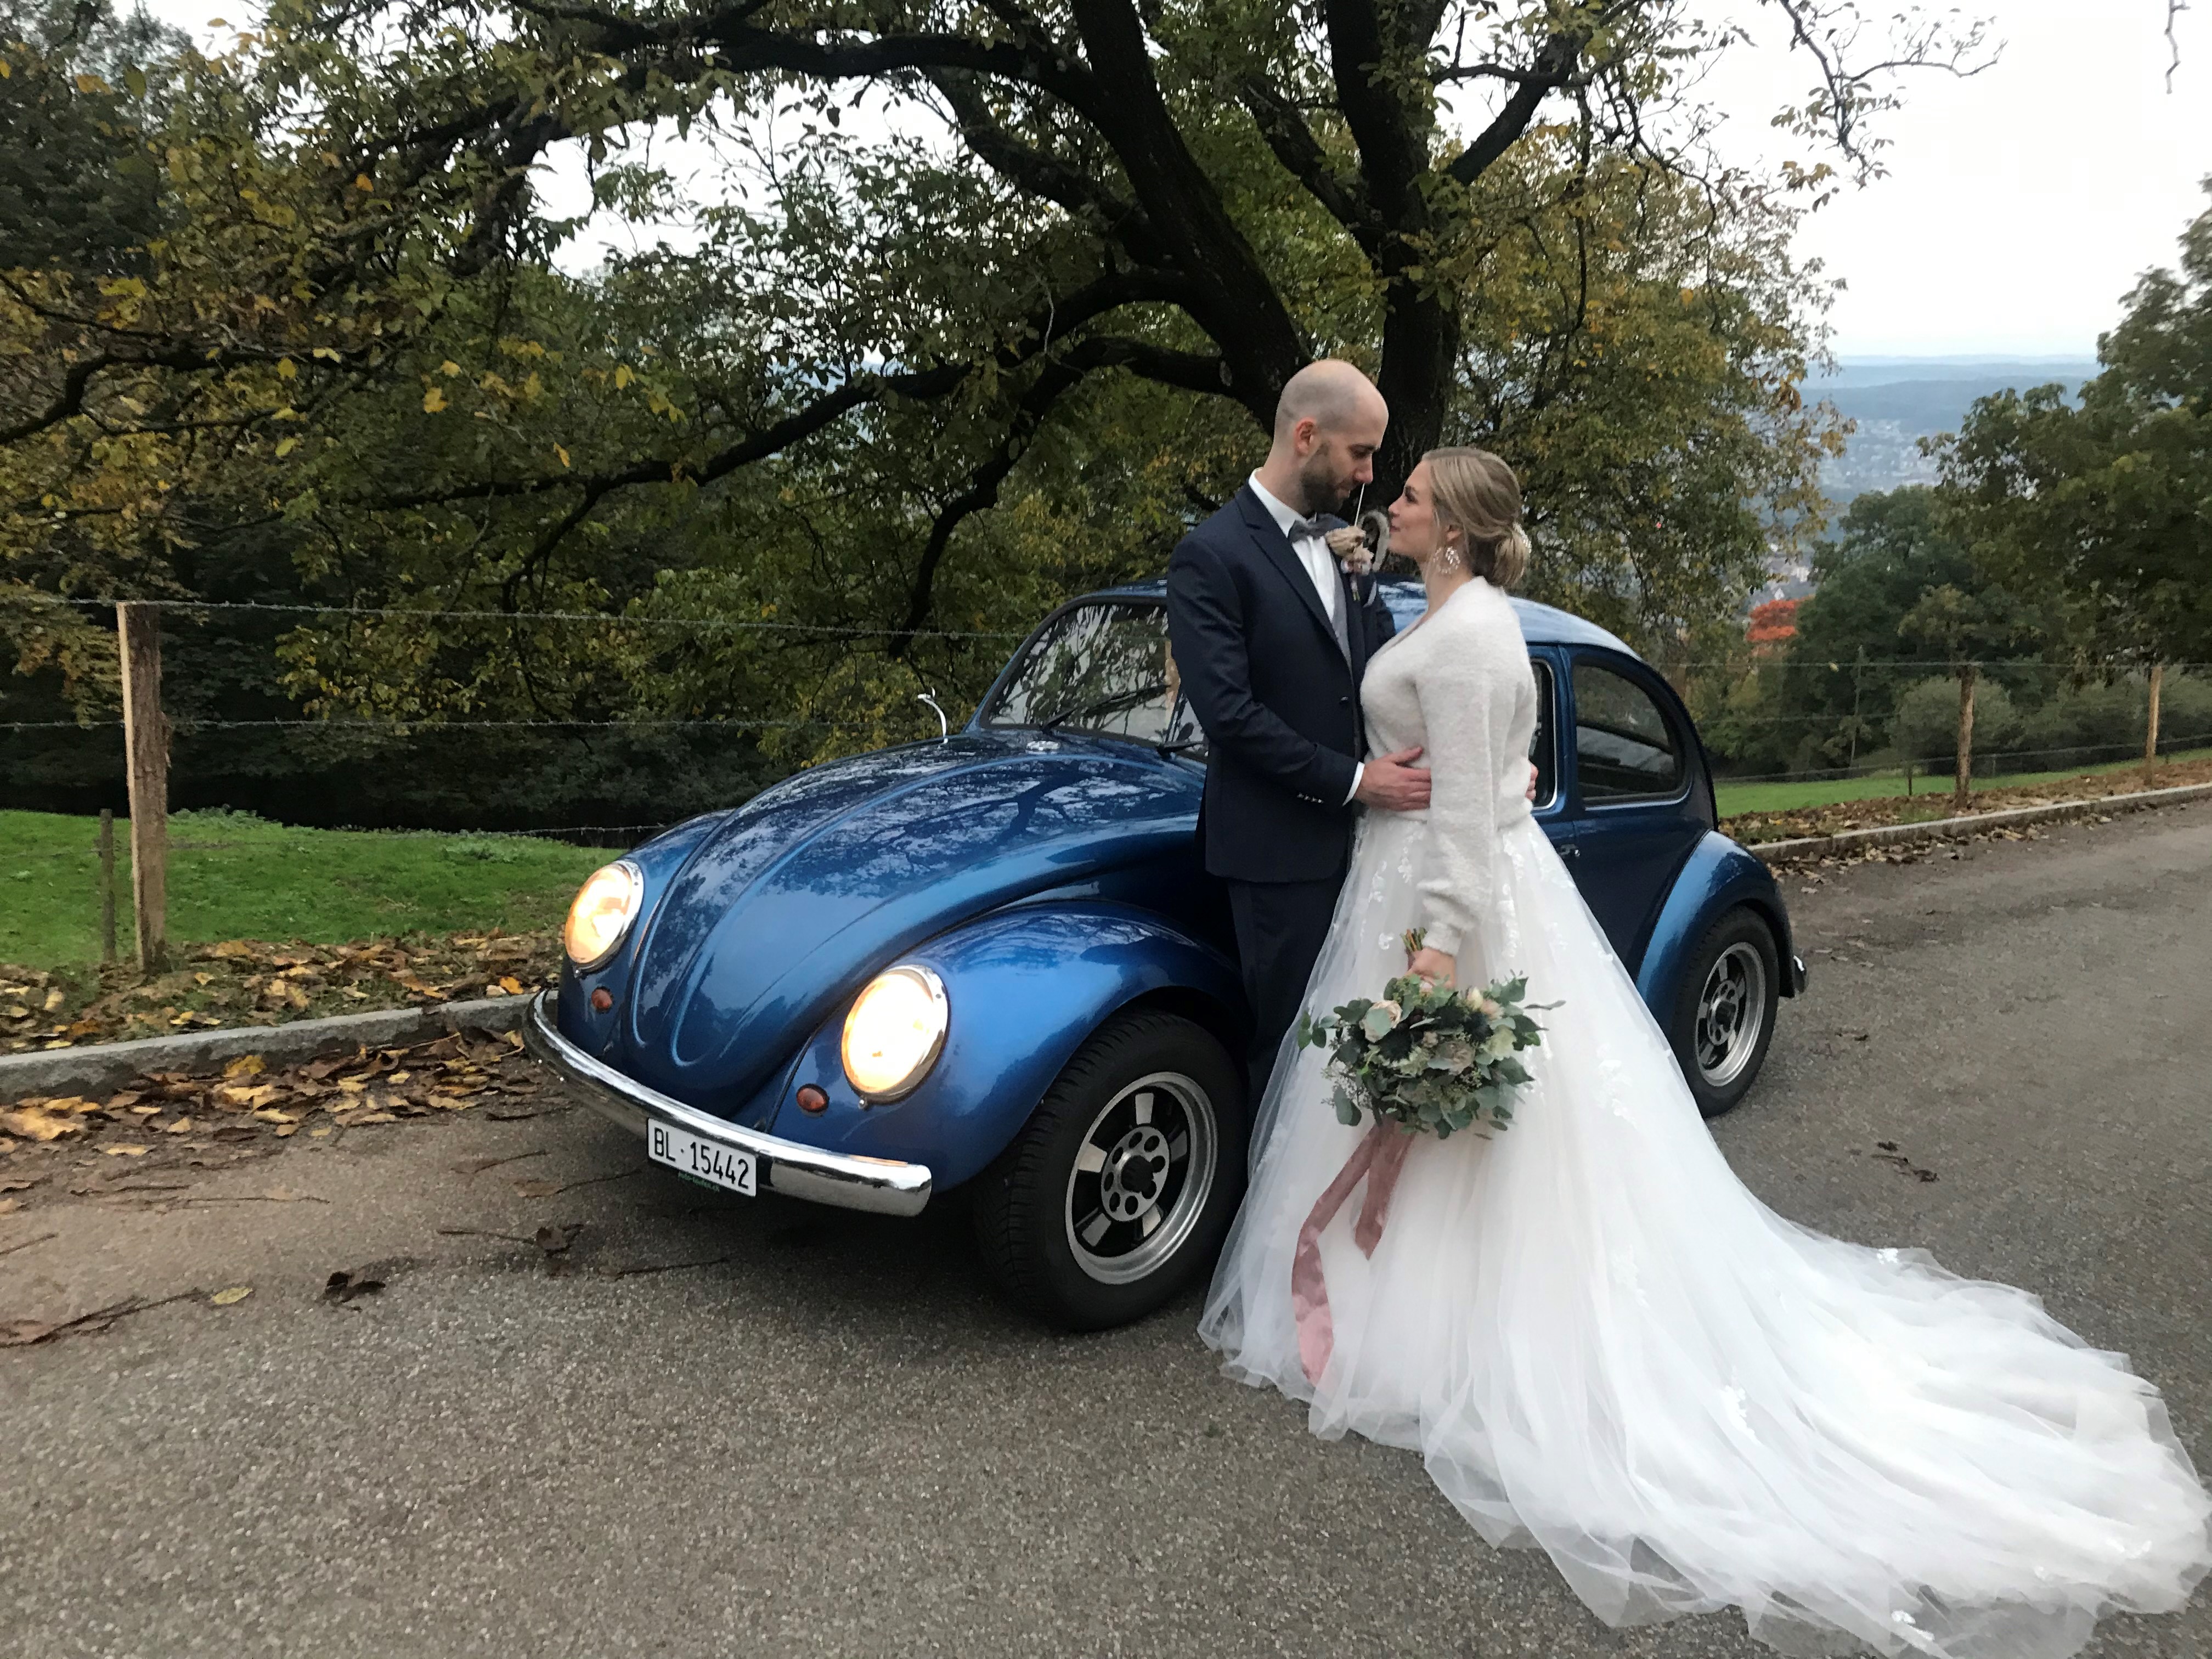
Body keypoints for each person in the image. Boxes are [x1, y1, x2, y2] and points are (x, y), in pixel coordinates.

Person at [1200, 445, 2212, 1659]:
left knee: (1468, 1116)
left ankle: (1452, 1325)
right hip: (1403, 873)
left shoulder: (1469, 640)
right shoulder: (1462, 614)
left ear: (1456, 530)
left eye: (1409, 494)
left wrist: (1436, 957)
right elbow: (1491, 768)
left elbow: (1471, 815)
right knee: (1472, 1126)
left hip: (1436, 898)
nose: (1391, 503)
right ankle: (1393, 1295)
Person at [1166, 360, 1427, 1111]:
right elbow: (1232, 717)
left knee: (1365, 1040)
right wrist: (1354, 780)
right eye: (1360, 453)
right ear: (1307, 436)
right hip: (1278, 856)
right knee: (1291, 1049)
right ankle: (1270, 1224)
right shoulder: (1211, 556)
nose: (1370, 474)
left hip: (1370, 849)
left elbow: (1385, 680)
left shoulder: (1345, 550)